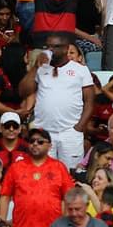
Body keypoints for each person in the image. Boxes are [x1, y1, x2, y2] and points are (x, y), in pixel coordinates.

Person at [0, 128, 73, 227]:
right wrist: (2, 223)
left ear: (49, 145)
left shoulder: (59, 167)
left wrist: (64, 226)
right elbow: (5, 196)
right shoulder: (16, 168)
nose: (35, 144)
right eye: (31, 141)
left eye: (40, 141)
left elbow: (68, 198)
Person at [18, 33, 93, 168]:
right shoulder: (40, 68)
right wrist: (35, 67)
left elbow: (89, 101)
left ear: (66, 48)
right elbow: (23, 91)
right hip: (43, 131)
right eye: (48, 46)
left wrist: (79, 127)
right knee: (42, 172)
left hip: (71, 131)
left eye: (56, 46)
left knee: (70, 174)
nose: (50, 50)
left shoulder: (80, 70)